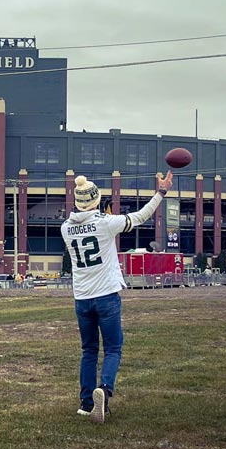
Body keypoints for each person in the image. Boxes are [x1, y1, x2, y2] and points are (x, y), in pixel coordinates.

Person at [61, 169, 174, 423]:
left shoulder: (65, 228)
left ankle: (86, 402)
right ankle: (105, 389)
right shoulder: (105, 223)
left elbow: (85, 223)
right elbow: (141, 216)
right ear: (96, 200)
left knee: (89, 350)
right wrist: (161, 192)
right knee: (113, 348)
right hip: (107, 295)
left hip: (81, 297)